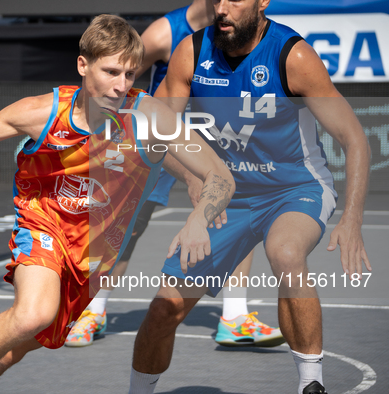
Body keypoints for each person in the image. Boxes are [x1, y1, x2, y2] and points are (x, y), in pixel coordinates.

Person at [0, 15, 234, 394]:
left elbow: (221, 176)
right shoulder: (43, 112)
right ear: (83, 65)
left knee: (16, 345)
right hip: (43, 223)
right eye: (111, 72)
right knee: (33, 313)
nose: (120, 86)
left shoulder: (149, 116)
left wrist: (200, 215)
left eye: (129, 75)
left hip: (94, 255)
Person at [129, 0, 371, 393]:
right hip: (227, 193)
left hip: (294, 188)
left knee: (286, 252)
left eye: (235, 0)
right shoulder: (190, 52)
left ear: (262, 2)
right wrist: (194, 176)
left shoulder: (292, 56)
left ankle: (312, 384)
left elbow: (354, 138)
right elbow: (158, 135)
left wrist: (352, 218)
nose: (222, 9)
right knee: (164, 309)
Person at [65, 0, 283, 349]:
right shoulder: (166, 32)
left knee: (239, 211)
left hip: (214, 137)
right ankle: (91, 310)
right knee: (129, 226)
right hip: (158, 140)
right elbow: (112, 74)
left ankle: (236, 316)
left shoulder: (242, 26)